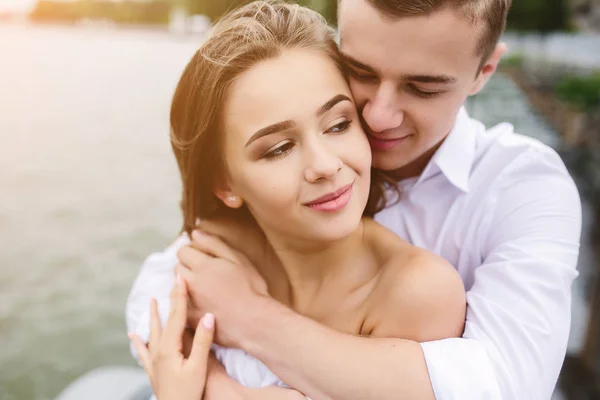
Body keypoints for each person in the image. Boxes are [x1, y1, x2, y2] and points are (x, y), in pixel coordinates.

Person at [128, 0, 583, 399]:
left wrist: (248, 318)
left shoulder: (522, 188)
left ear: (484, 72)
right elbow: (162, 289)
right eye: (360, 74)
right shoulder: (268, 196)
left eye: (422, 88)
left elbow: (503, 387)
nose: (380, 117)